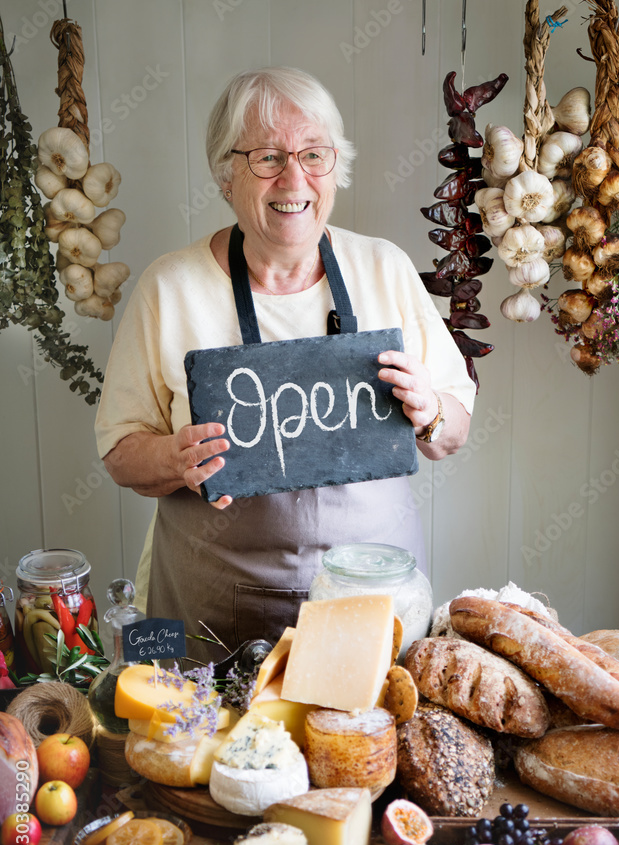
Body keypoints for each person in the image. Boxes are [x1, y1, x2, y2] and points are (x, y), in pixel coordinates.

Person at [95, 66, 475, 662]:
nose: (293, 178)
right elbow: (120, 450)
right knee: (208, 744)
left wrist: (430, 412)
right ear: (226, 174)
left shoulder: (385, 269)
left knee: (367, 749)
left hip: (372, 606)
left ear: (335, 165)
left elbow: (453, 431)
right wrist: (175, 458)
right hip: (212, 605)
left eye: (314, 155)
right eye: (267, 156)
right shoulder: (170, 288)